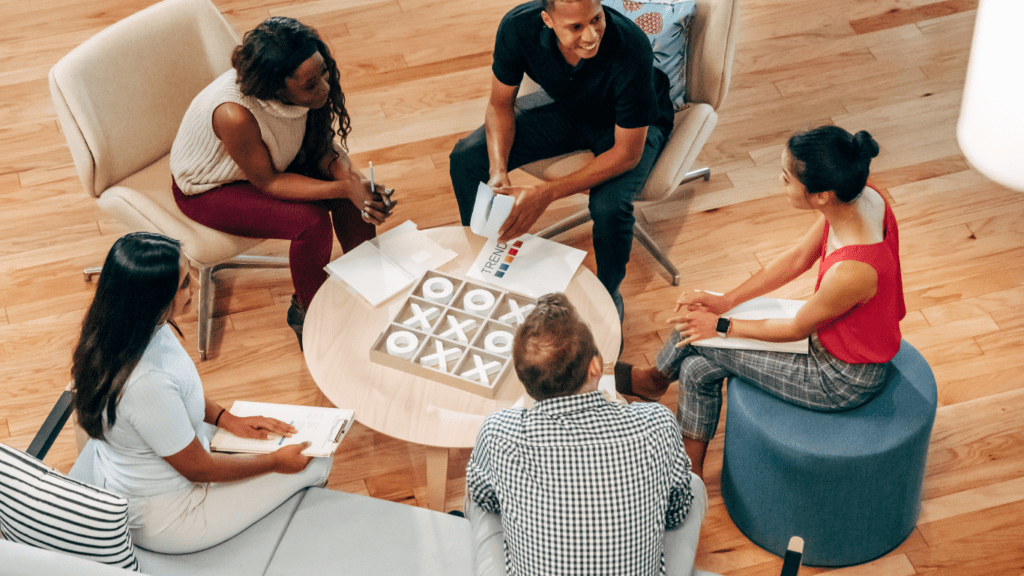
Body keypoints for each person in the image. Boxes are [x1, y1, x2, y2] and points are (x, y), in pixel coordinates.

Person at [615, 126, 904, 478]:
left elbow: (796, 328)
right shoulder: (861, 199)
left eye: (786, 179)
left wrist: (720, 325)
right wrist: (726, 301)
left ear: (821, 195)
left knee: (695, 331)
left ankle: (656, 385)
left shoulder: (855, 270)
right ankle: (689, 475)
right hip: (826, 337)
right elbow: (799, 258)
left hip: (839, 377)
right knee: (695, 367)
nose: (779, 182)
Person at [71, 232, 332, 553]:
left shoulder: (122, 327)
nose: (195, 284)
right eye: (183, 283)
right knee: (319, 464)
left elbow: (180, 390)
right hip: (171, 515)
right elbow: (199, 469)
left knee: (292, 447)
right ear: (153, 298)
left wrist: (228, 419)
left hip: (160, 463)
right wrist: (275, 463)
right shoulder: (144, 384)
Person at [170, 17, 395, 347]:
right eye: (310, 85)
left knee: (351, 189)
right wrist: (346, 186)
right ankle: (309, 312)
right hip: (211, 187)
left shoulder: (307, 86)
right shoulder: (235, 114)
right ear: (276, 88)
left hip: (272, 162)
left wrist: (355, 184)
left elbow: (317, 146)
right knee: (310, 222)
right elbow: (269, 182)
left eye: (323, 71)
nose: (324, 87)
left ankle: (369, 281)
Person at [449, 0, 675, 320]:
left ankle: (608, 296)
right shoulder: (518, 27)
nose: (591, 34)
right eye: (575, 27)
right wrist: (498, 170)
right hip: (570, 108)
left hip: (628, 126)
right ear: (547, 20)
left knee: (609, 207)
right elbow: (500, 104)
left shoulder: (631, 46)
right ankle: (487, 261)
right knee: (466, 157)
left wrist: (547, 193)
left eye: (597, 18)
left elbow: (627, 154)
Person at [465, 293, 694, 576]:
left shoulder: (498, 433)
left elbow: (486, 499)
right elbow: (677, 511)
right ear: (596, 367)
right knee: (691, 484)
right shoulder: (656, 424)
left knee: (476, 497)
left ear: (525, 382)